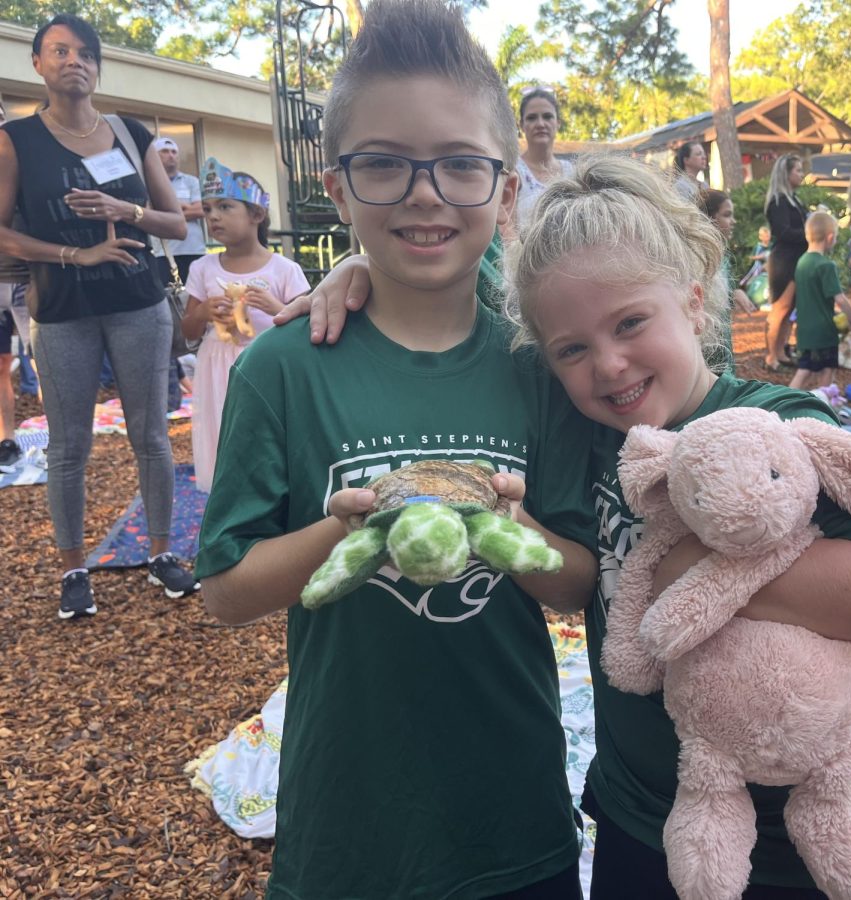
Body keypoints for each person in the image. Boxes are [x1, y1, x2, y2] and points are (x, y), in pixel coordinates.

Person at [195, 2, 598, 896]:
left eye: (460, 164)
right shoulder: (284, 370)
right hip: (347, 828)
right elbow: (224, 590)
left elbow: (578, 580)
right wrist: (346, 531)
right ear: (336, 189)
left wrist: (505, 524)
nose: (425, 193)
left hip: (514, 819)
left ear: (505, 188)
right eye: (384, 164)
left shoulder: (539, 365)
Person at [504, 154, 851, 899]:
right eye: (572, 349)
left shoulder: (781, 425)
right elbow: (456, 325)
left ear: (694, 305)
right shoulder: (591, 438)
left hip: (802, 836)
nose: (608, 364)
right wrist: (362, 274)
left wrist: (691, 577)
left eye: (631, 322)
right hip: (646, 818)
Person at [0, 13, 199, 619]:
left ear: (98, 66)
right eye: (59, 51)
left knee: (151, 437)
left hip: (139, 305)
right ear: (37, 64)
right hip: (62, 311)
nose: (74, 61)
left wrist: (124, 209)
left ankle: (163, 555)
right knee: (68, 447)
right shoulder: (16, 139)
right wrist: (73, 253)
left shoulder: (129, 133)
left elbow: (176, 222)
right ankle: (72, 569)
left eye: (85, 53)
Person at [181, 159, 308, 493]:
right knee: (223, 430)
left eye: (225, 207)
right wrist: (204, 312)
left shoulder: (284, 270)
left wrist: (277, 308)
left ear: (256, 214)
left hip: (267, 366)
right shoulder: (203, 268)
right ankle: (229, 495)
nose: (213, 217)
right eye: (207, 209)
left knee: (267, 434)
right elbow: (188, 332)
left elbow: (307, 330)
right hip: (218, 366)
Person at [786, 211, 851, 391]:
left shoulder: (802, 262)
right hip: (824, 331)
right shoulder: (826, 265)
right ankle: (823, 405)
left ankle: (784, 403)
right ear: (830, 237)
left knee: (804, 370)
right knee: (827, 369)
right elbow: (840, 298)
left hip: (804, 329)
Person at [0, 98, 29, 473]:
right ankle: (6, 437)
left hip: (26, 278)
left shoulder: (21, 156)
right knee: (2, 364)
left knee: (46, 360)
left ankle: (61, 440)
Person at [763, 154, 809, 371]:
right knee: (780, 309)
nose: (801, 174)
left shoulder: (794, 199)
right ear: (786, 173)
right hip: (785, 260)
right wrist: (809, 233)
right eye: (798, 170)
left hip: (797, 259)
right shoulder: (779, 201)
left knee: (790, 311)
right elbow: (783, 232)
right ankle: (771, 357)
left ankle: (781, 351)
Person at [701, 188, 756, 365]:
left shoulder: (722, 253)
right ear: (709, 217)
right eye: (727, 215)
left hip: (723, 339)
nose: (733, 221)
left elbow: (724, 286)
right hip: (706, 343)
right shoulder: (698, 256)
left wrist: (735, 291)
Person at [150, 137, 206, 284]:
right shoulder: (149, 182)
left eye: (174, 152)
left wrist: (167, 215)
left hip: (194, 250)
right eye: (165, 151)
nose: (171, 155)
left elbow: (202, 209)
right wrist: (185, 206)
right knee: (170, 299)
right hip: (164, 253)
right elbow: (150, 212)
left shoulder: (191, 181)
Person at [515, 86, 573, 225]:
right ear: (521, 125)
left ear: (557, 123)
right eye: (531, 118)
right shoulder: (512, 172)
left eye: (547, 116)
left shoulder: (571, 172)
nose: (540, 124)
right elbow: (507, 232)